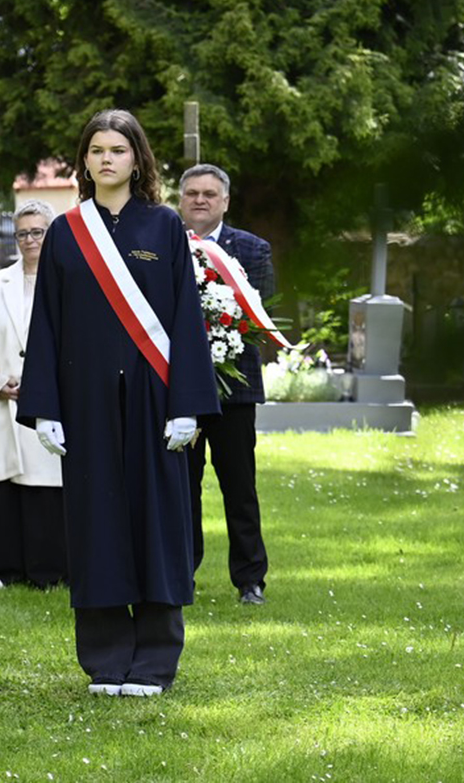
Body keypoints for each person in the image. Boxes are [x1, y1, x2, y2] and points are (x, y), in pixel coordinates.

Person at [16, 109, 219, 698]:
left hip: (155, 403)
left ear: (138, 159)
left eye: (119, 150)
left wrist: (188, 404)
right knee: (97, 525)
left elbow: (186, 320)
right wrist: (47, 406)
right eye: (97, 150)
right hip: (85, 407)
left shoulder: (164, 228)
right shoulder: (65, 231)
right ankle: (107, 658)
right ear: (84, 160)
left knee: (157, 524)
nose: (107, 159)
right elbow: (47, 324)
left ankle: (155, 661)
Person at [178, 163, 274, 605]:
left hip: (236, 389)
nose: (201, 200)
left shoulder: (252, 250)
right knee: (182, 487)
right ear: (181, 199)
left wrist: (221, 341)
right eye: (193, 193)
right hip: (178, 390)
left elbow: (261, 319)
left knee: (239, 486)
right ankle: (181, 575)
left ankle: (250, 579)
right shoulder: (163, 246)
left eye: (209, 194)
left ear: (225, 201)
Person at [0, 200, 66, 589]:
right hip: (2, 400)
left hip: (51, 402)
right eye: (22, 233)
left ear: (52, 233)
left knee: (46, 488)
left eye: (37, 231)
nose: (29, 240)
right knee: (2, 484)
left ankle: (49, 572)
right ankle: (2, 570)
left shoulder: (69, 282)